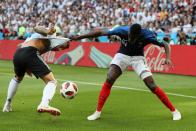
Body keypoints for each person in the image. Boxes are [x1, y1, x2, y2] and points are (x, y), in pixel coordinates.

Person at [70, 23, 181, 121]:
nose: (130, 38)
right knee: (110, 78)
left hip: (138, 58)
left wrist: (167, 58)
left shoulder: (148, 35)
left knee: (151, 85)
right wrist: (80, 36)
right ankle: (97, 112)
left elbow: (166, 44)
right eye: (129, 36)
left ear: (138, 35)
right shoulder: (121, 30)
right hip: (122, 55)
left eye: (132, 37)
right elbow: (100, 32)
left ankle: (174, 111)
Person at [2, 26, 70, 116]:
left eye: (62, 48)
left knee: (18, 78)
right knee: (52, 81)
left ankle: (7, 104)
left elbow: (21, 46)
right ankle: (44, 104)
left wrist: (27, 66)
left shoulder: (47, 44)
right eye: (63, 46)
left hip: (18, 54)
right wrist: (48, 31)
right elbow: (37, 28)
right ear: (60, 38)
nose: (60, 48)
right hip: (29, 52)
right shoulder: (50, 35)